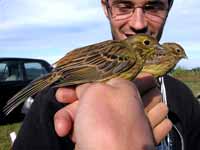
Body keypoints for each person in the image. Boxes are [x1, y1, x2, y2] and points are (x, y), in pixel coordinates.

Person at [13, 0, 200, 149]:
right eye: (124, 5)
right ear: (106, 7)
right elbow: (93, 69)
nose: (138, 24)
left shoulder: (183, 100)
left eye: (153, 6)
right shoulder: (53, 104)